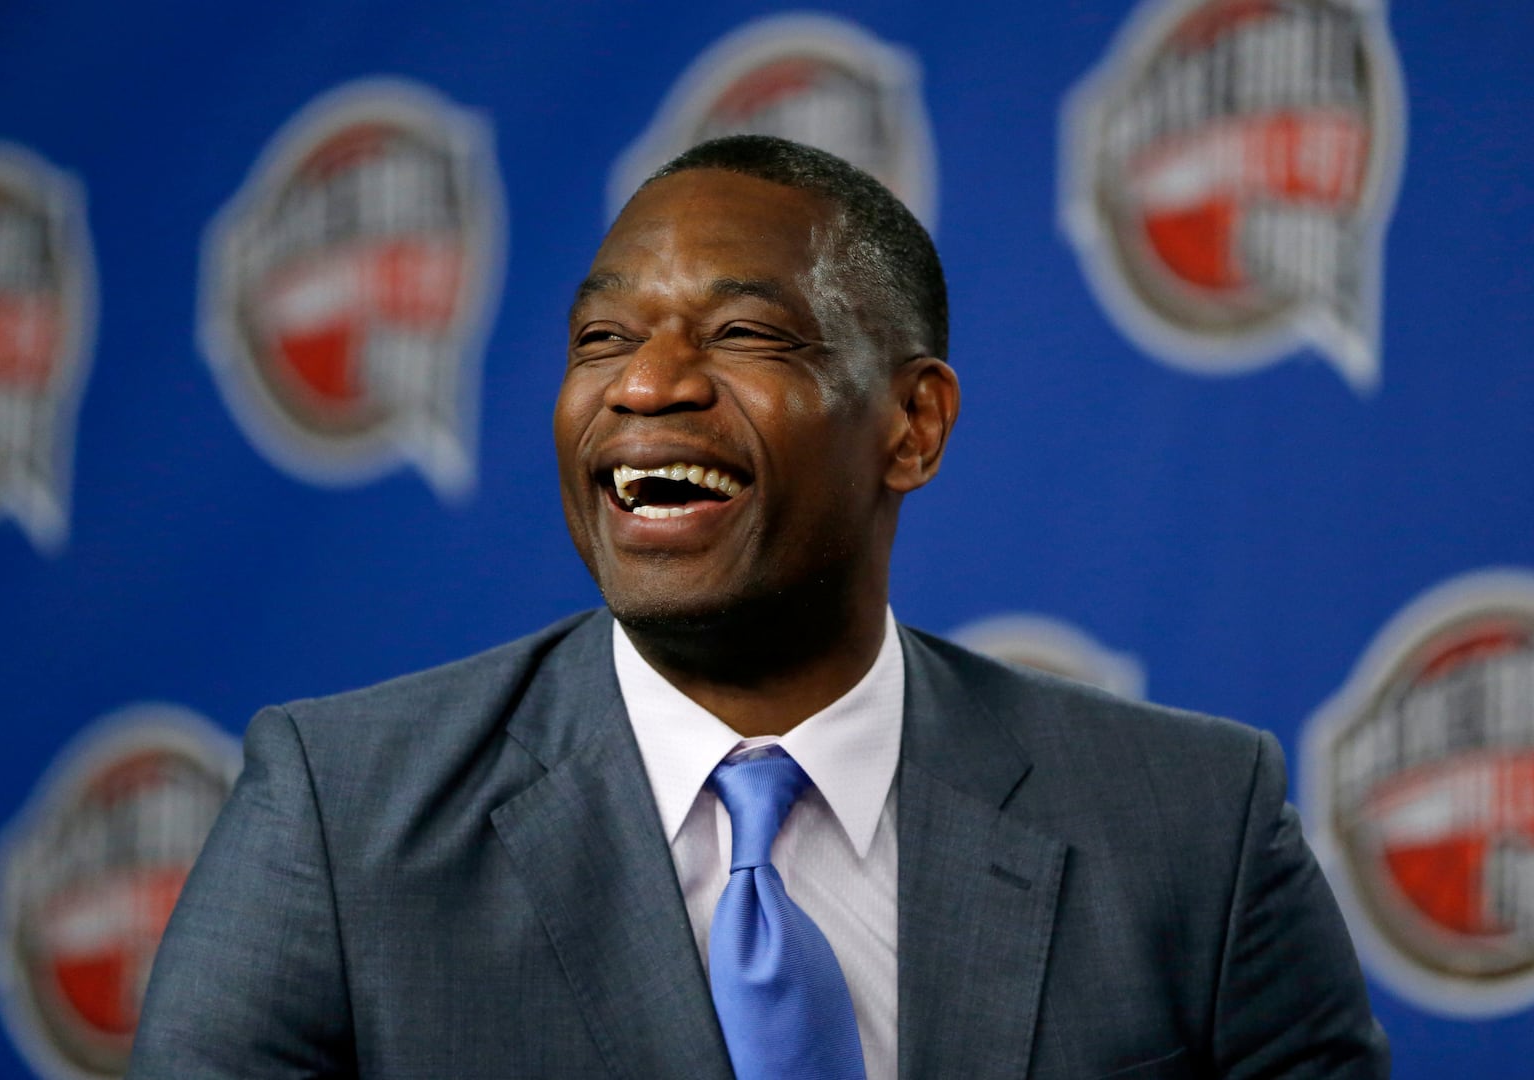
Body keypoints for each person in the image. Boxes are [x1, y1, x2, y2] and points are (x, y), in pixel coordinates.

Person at [130, 134, 1388, 1079]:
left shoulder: (1189, 828)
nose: (648, 385)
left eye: (741, 333)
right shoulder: (339, 816)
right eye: (602, 337)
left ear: (913, 423)